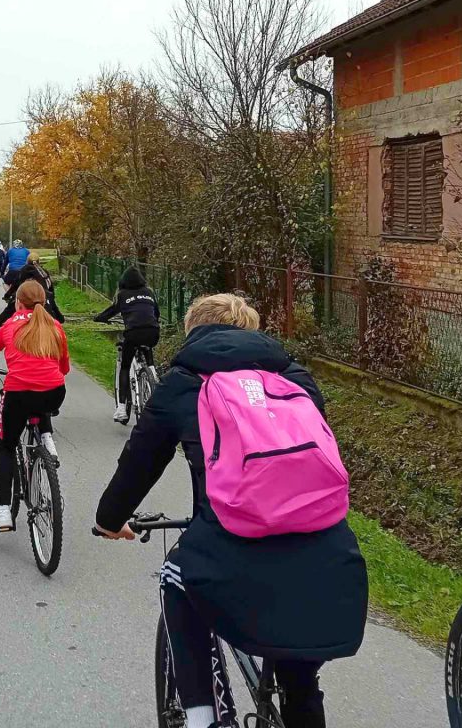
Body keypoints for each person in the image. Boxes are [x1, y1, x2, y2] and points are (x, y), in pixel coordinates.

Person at [94, 294, 368, 728]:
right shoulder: (297, 378)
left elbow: (139, 463)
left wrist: (109, 520)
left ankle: (202, 716)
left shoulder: (183, 381)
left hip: (231, 544)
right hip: (326, 550)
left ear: (195, 331)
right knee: (300, 679)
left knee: (174, 577)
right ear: (252, 331)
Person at [0, 280, 69, 531]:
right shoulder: (55, 327)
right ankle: (47, 438)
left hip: (19, 394)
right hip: (54, 393)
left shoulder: (10, 326)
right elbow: (63, 366)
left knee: (6, 446)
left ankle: (2, 510)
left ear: (18, 302)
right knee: (41, 395)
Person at [92, 266, 161, 423]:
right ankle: (153, 374)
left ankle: (121, 408)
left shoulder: (123, 294)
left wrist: (99, 318)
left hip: (133, 333)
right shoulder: (149, 293)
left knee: (125, 366)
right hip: (153, 332)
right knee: (148, 348)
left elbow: (111, 311)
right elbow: (157, 314)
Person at [0, 252, 64, 326]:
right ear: (39, 261)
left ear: (27, 261)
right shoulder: (43, 272)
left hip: (25, 296)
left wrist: (7, 295)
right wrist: (51, 296)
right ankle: (58, 320)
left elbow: (14, 285)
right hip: (42, 296)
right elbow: (50, 285)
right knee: (52, 310)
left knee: (10, 307)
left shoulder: (22, 271)